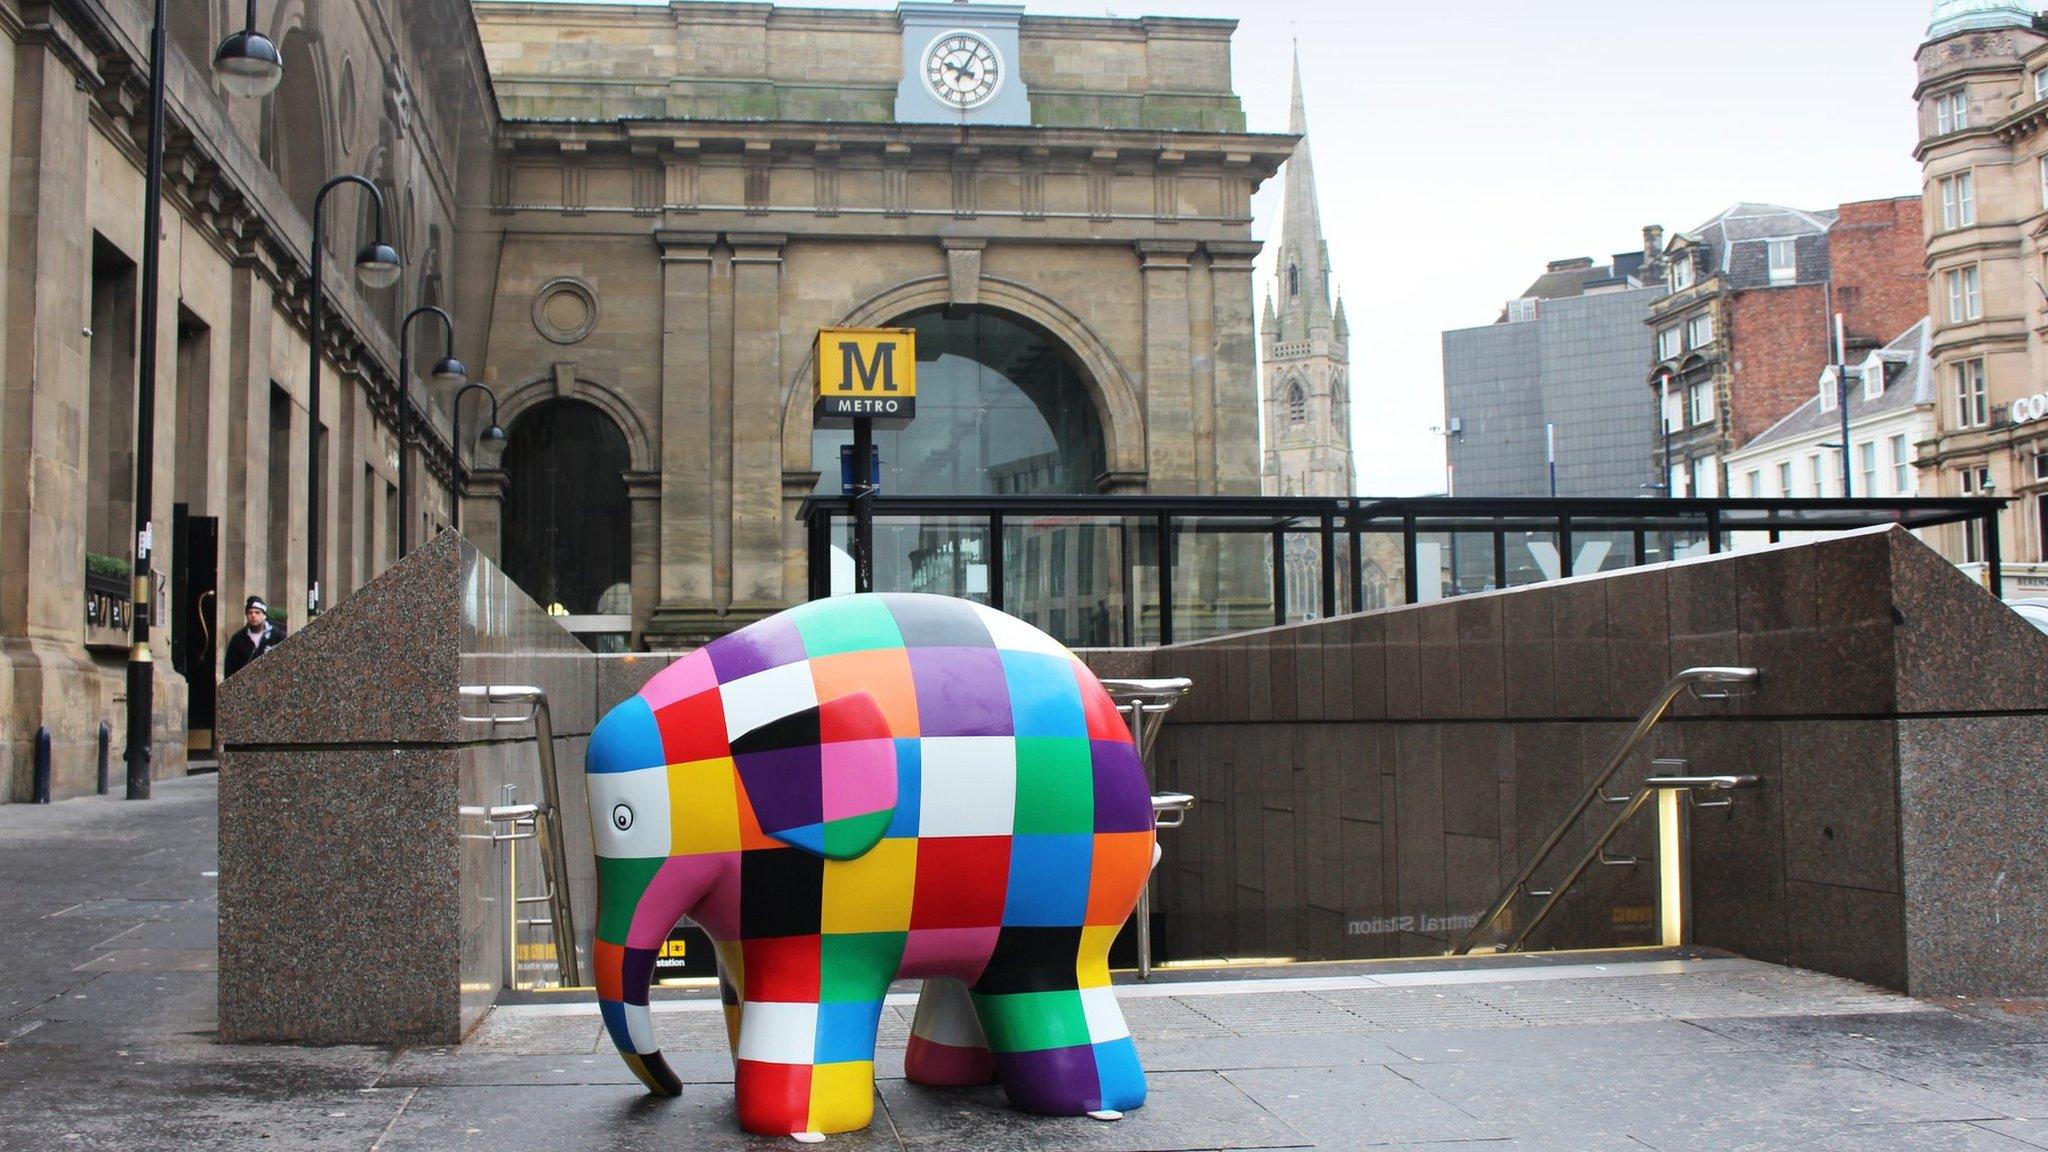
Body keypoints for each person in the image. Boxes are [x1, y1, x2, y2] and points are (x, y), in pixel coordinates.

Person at [223, 596, 286, 679]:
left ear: (264, 615)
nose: (253, 615)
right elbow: (229, 668)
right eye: (250, 612)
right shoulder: (237, 639)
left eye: (257, 612)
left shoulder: (278, 636)